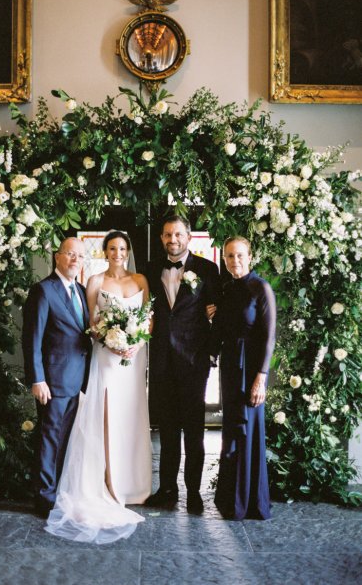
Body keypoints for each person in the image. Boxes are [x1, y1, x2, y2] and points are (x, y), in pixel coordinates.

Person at [45, 231, 152, 544]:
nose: (117, 252)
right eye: (112, 248)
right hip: (106, 358)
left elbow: (149, 319)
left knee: (131, 416)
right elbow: (89, 323)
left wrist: (136, 342)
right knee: (106, 417)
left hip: (134, 359)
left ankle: (133, 484)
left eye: (122, 247)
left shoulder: (141, 280)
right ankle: (107, 482)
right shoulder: (93, 280)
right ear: (104, 252)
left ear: (128, 250)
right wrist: (112, 341)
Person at [145, 215, 221, 514]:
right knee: (166, 429)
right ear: (161, 238)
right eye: (167, 235)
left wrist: (211, 353)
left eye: (177, 234)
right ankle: (167, 489)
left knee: (193, 431)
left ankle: (193, 492)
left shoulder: (206, 269)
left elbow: (219, 314)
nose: (172, 240)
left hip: (194, 361)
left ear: (188, 237)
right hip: (162, 360)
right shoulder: (151, 269)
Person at [22, 237, 92, 519]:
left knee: (64, 439)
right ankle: (44, 497)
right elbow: (32, 340)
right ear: (57, 257)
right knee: (49, 438)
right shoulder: (43, 291)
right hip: (52, 382)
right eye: (70, 254)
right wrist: (37, 379)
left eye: (80, 256)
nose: (75, 259)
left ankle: (57, 490)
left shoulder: (82, 291)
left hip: (77, 381)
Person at [211, 236, 276, 520]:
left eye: (239, 255)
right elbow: (223, 330)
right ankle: (230, 500)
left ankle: (250, 502)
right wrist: (212, 316)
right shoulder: (225, 290)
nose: (234, 261)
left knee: (249, 431)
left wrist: (261, 378)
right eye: (228, 256)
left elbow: (269, 338)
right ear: (223, 259)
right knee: (231, 431)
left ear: (250, 256)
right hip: (230, 367)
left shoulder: (261, 288)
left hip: (251, 369)